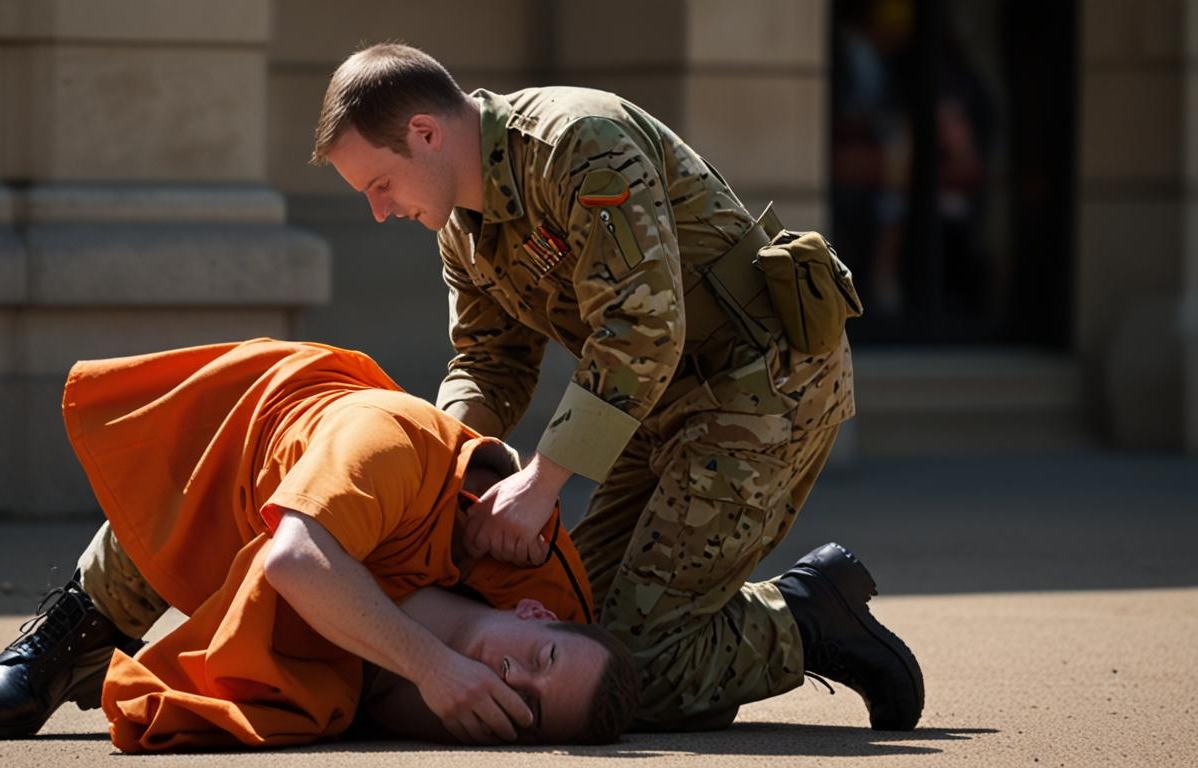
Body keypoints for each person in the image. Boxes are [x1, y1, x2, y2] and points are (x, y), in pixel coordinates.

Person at [310, 43, 923, 731]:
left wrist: (540, 483)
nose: (379, 210)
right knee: (578, 635)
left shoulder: (579, 144)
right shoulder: (461, 230)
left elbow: (643, 329)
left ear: (424, 133)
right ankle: (727, 626)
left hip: (760, 385)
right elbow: (489, 361)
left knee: (627, 669)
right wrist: (444, 469)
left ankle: (810, 616)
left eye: (380, 184)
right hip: (656, 405)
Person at [0, 339, 637, 749]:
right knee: (218, 518)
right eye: (544, 657)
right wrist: (433, 666)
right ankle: (87, 622)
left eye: (533, 709)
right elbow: (295, 559)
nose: (518, 681)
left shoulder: (454, 711)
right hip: (252, 450)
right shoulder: (499, 542)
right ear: (538, 617)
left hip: (334, 568)